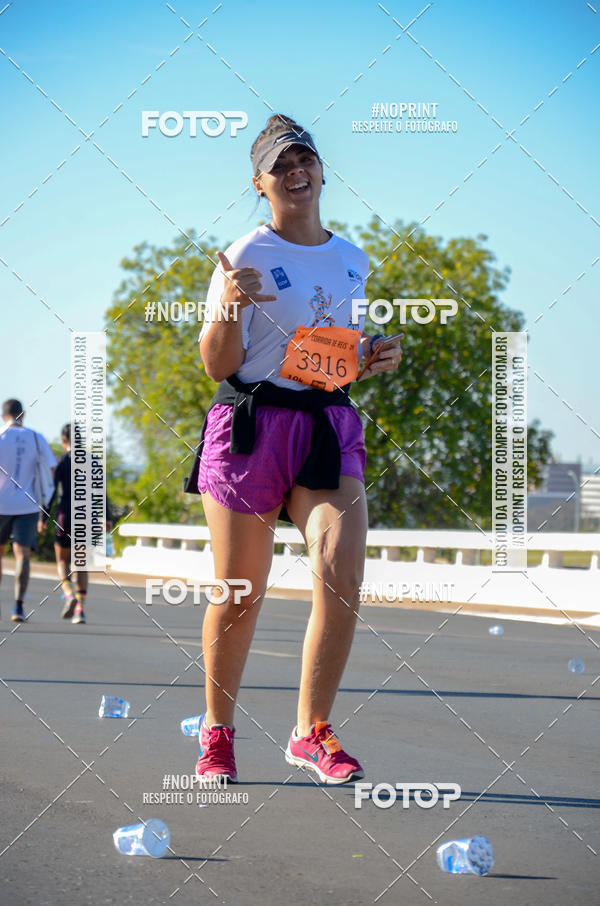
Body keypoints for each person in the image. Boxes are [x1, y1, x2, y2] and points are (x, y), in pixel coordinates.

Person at [192, 114, 402, 785]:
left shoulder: (352, 259)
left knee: (341, 574)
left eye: (304, 159)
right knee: (240, 593)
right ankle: (217, 734)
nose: (296, 172)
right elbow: (216, 363)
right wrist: (227, 303)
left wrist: (370, 357)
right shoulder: (243, 254)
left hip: (325, 422)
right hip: (252, 426)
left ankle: (311, 731)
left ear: (321, 170)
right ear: (260, 183)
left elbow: (331, 354)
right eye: (280, 165)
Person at [40, 422, 113, 625]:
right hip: (87, 516)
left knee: (62, 560)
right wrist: (106, 517)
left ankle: (68, 593)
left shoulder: (60, 462)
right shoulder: (93, 461)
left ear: (64, 440)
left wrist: (43, 517)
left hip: (66, 515)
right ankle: (80, 610)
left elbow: (51, 491)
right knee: (81, 564)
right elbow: (101, 492)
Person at [0, 399, 56, 622]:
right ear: (23, 415)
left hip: (1, 504)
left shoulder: (1, 436)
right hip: (28, 504)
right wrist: (44, 497)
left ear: (4, 415)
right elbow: (50, 469)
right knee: (23, 555)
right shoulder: (36, 437)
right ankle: (18, 606)